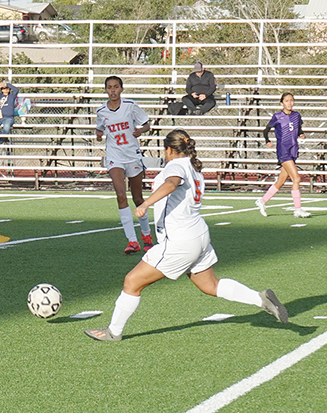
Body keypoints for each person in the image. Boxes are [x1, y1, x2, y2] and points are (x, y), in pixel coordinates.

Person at [85, 129, 288, 342]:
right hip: (198, 234)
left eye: (165, 150)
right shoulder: (194, 168)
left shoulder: (176, 165)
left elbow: (171, 184)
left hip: (180, 240)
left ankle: (114, 331)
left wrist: (145, 204)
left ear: (170, 149)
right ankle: (259, 299)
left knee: (132, 282)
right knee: (210, 285)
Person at [95, 76, 154, 254]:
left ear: (121, 89)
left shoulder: (130, 105)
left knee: (137, 198)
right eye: (109, 88)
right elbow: (100, 128)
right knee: (121, 195)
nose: (112, 91)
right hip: (115, 157)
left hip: (132, 155)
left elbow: (147, 124)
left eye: (116, 87)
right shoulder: (101, 111)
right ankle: (132, 241)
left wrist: (140, 130)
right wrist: (98, 134)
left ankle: (146, 235)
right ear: (105, 90)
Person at [255, 92, 310, 218]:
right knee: (296, 178)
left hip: (293, 150)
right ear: (282, 103)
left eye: (291, 100)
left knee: (280, 181)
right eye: (286, 101)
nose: (289, 103)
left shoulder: (296, 115)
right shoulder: (278, 116)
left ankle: (262, 201)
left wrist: (301, 134)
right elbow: (266, 130)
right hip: (283, 151)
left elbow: (297, 128)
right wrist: (267, 141)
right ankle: (298, 209)